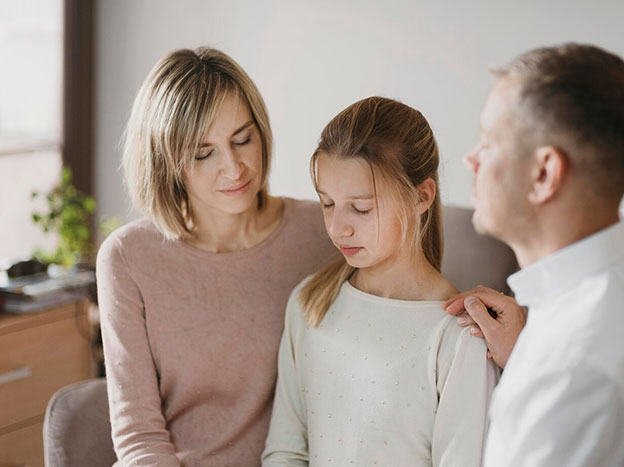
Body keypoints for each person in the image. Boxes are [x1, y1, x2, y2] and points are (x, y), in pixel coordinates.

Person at [444, 43, 624, 466]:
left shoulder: (567, 376)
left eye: (489, 142)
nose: (472, 159)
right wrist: (526, 351)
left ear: (544, 174)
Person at [96, 47, 338, 466]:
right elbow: (139, 437)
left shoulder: (325, 232)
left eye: (243, 139)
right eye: (204, 153)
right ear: (166, 163)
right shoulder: (128, 258)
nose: (235, 167)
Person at [262, 97, 498, 466]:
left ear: (421, 197)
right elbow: (287, 451)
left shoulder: (459, 334)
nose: (339, 227)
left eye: (361, 208)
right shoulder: (309, 304)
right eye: (327, 204)